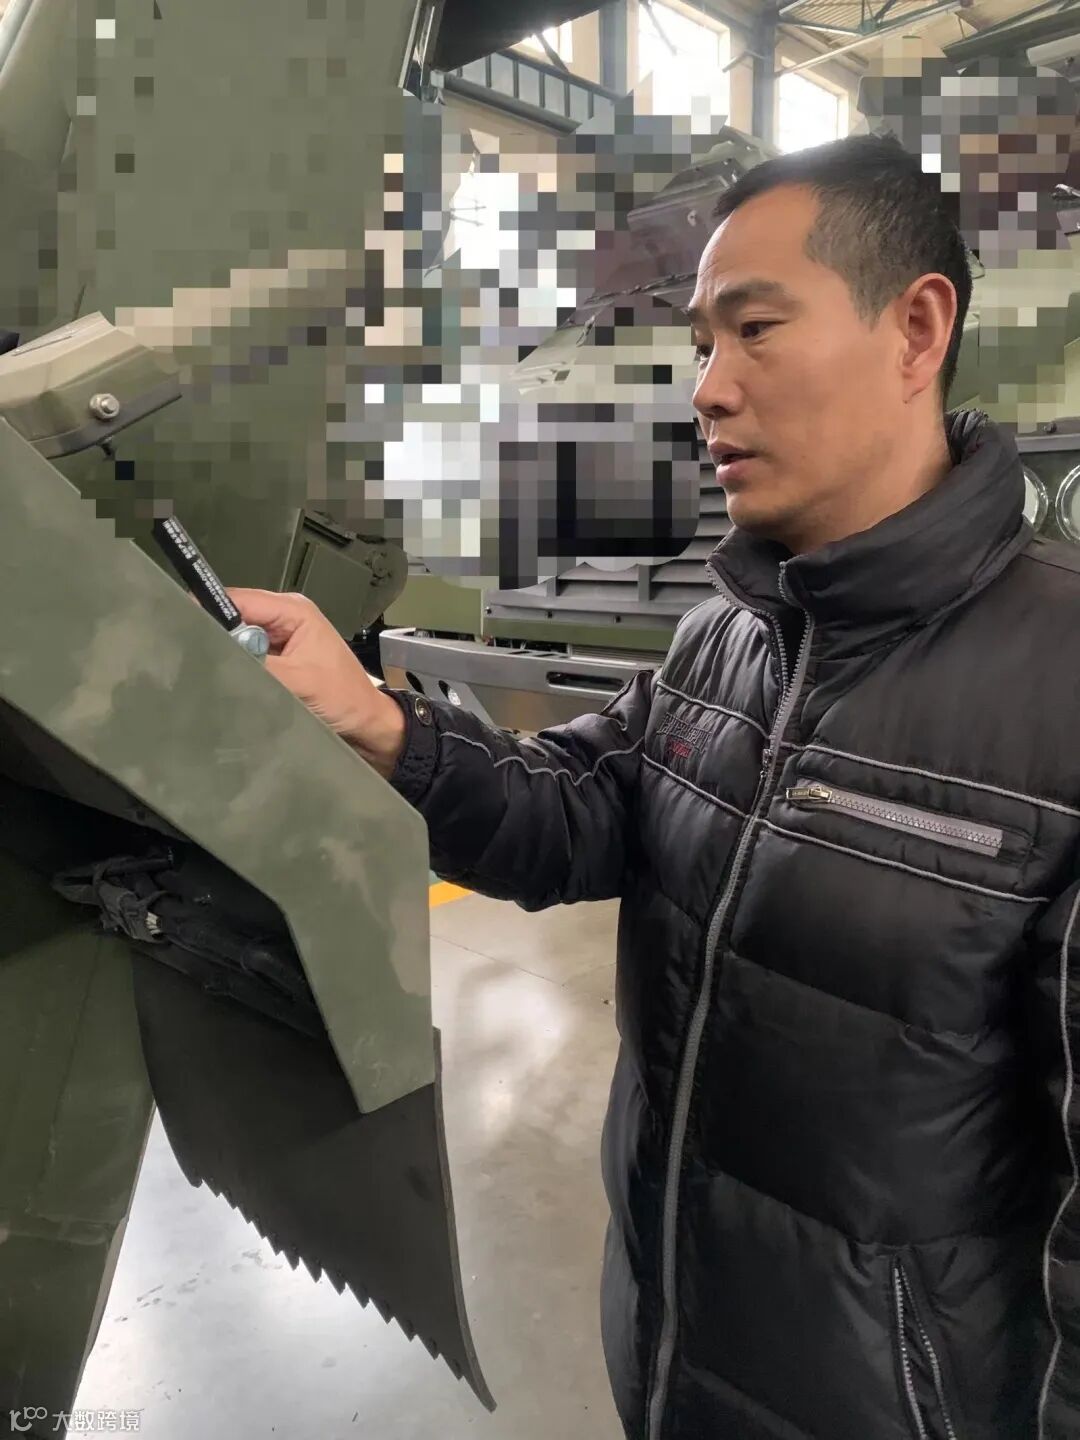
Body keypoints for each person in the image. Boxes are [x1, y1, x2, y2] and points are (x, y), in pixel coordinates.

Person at [227, 134, 1080, 1440]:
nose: (708, 391)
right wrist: (374, 719)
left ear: (917, 331)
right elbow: (578, 816)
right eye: (701, 344)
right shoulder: (726, 636)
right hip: (676, 1355)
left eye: (756, 331)